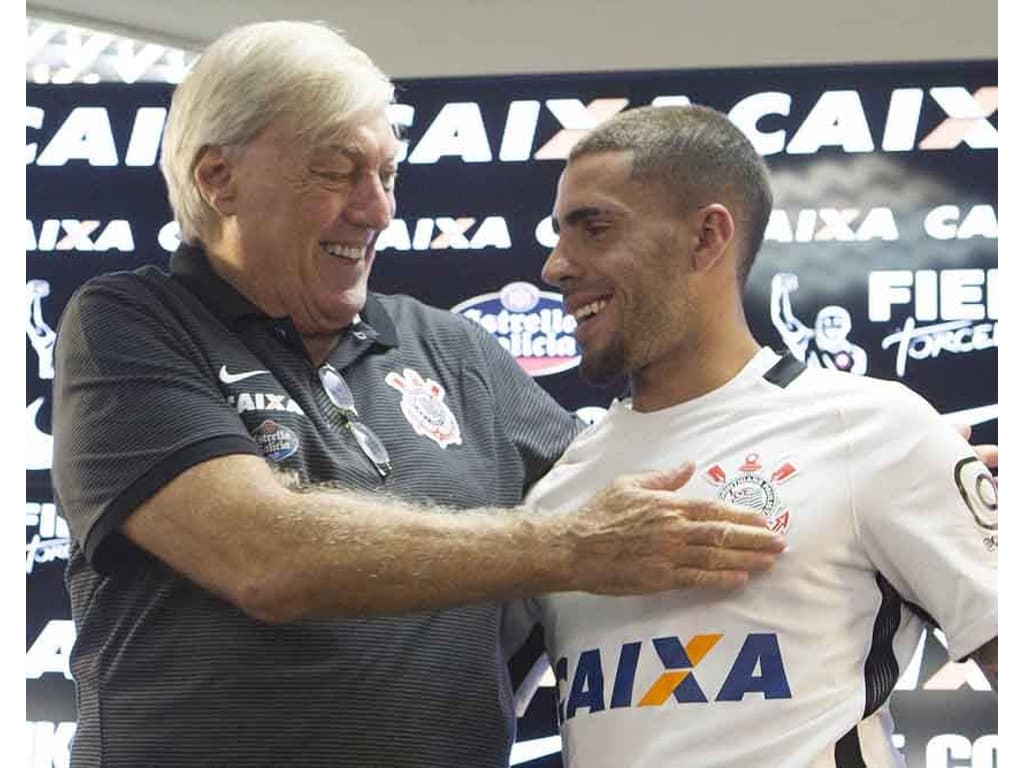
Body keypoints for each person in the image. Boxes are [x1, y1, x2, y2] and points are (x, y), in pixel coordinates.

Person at [50, 22, 787, 768]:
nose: (375, 211)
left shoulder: (455, 350)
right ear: (218, 179)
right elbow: (266, 559)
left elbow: (630, 500)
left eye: (388, 175)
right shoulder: (129, 326)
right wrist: (572, 549)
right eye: (337, 172)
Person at [517, 104, 997, 767]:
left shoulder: (872, 429)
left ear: (707, 237)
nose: (556, 266)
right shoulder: (559, 492)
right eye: (559, 234)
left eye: (593, 228)